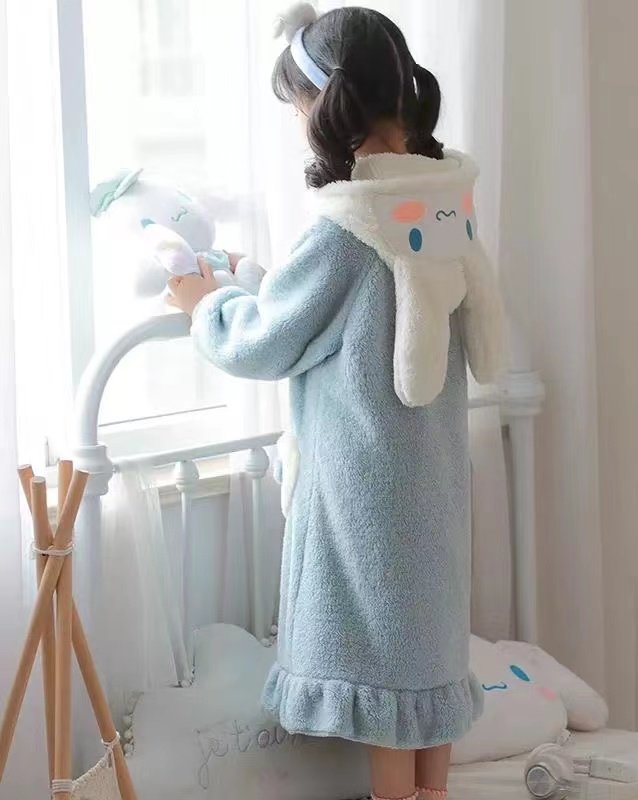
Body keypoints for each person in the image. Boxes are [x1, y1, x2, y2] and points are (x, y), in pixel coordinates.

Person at [167, 5, 506, 798]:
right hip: (431, 482)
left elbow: (266, 340)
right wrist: (257, 278)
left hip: (369, 494)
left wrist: (206, 304)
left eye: (297, 109)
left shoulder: (345, 228)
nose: (297, 126)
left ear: (326, 108)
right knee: (424, 661)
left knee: (384, 682)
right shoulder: (439, 202)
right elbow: (339, 311)